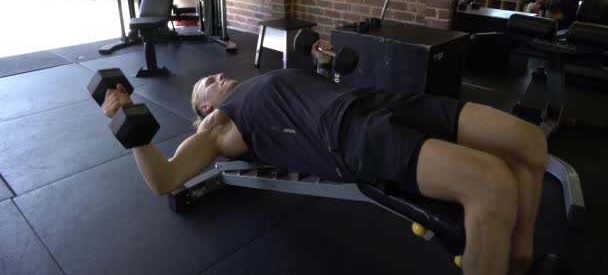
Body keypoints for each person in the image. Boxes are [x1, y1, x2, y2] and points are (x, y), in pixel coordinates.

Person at [101, 41, 548, 275]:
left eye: (215, 74)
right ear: (205, 109)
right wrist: (133, 127)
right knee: (491, 183)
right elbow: (166, 178)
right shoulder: (220, 125)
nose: (219, 75)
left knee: (528, 143)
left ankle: (519, 260)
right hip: (349, 133)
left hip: (377, 100)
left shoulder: (262, 82)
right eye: (208, 83)